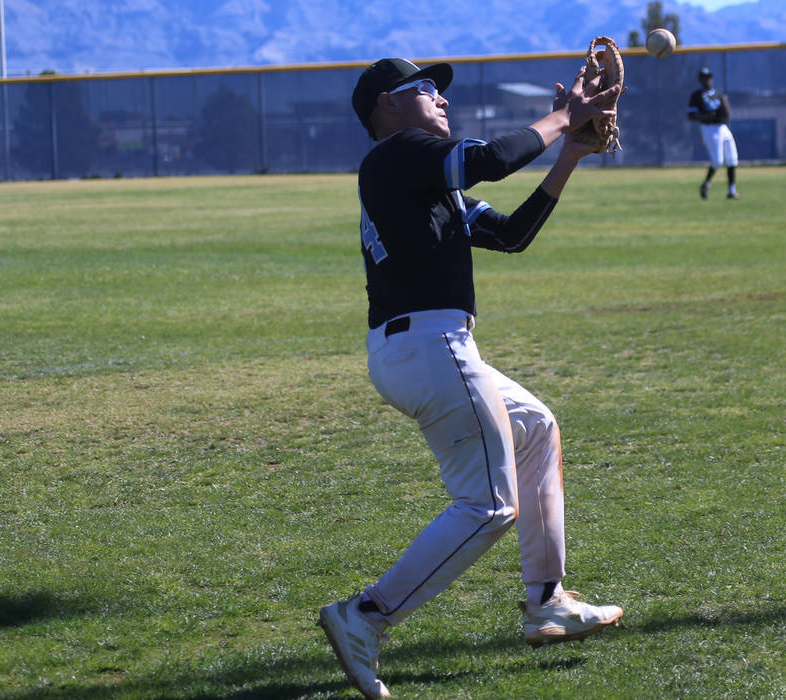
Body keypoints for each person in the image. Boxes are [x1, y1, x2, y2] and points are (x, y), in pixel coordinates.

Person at [317, 57, 625, 699]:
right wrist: (566, 115)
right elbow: (490, 158)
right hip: (429, 343)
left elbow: (512, 235)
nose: (440, 97)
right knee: (489, 504)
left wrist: (568, 153)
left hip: (428, 346)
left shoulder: (423, 176)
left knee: (536, 429)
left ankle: (547, 601)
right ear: (387, 106)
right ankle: (366, 615)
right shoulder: (398, 153)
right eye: (424, 88)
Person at [687, 66, 740, 200]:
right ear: (700, 80)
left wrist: (725, 108)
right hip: (709, 128)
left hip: (722, 127)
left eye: (709, 77)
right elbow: (691, 116)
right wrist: (705, 116)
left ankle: (731, 191)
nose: (707, 80)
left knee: (732, 159)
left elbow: (726, 115)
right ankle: (706, 184)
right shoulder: (697, 96)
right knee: (717, 161)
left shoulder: (719, 95)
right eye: (704, 78)